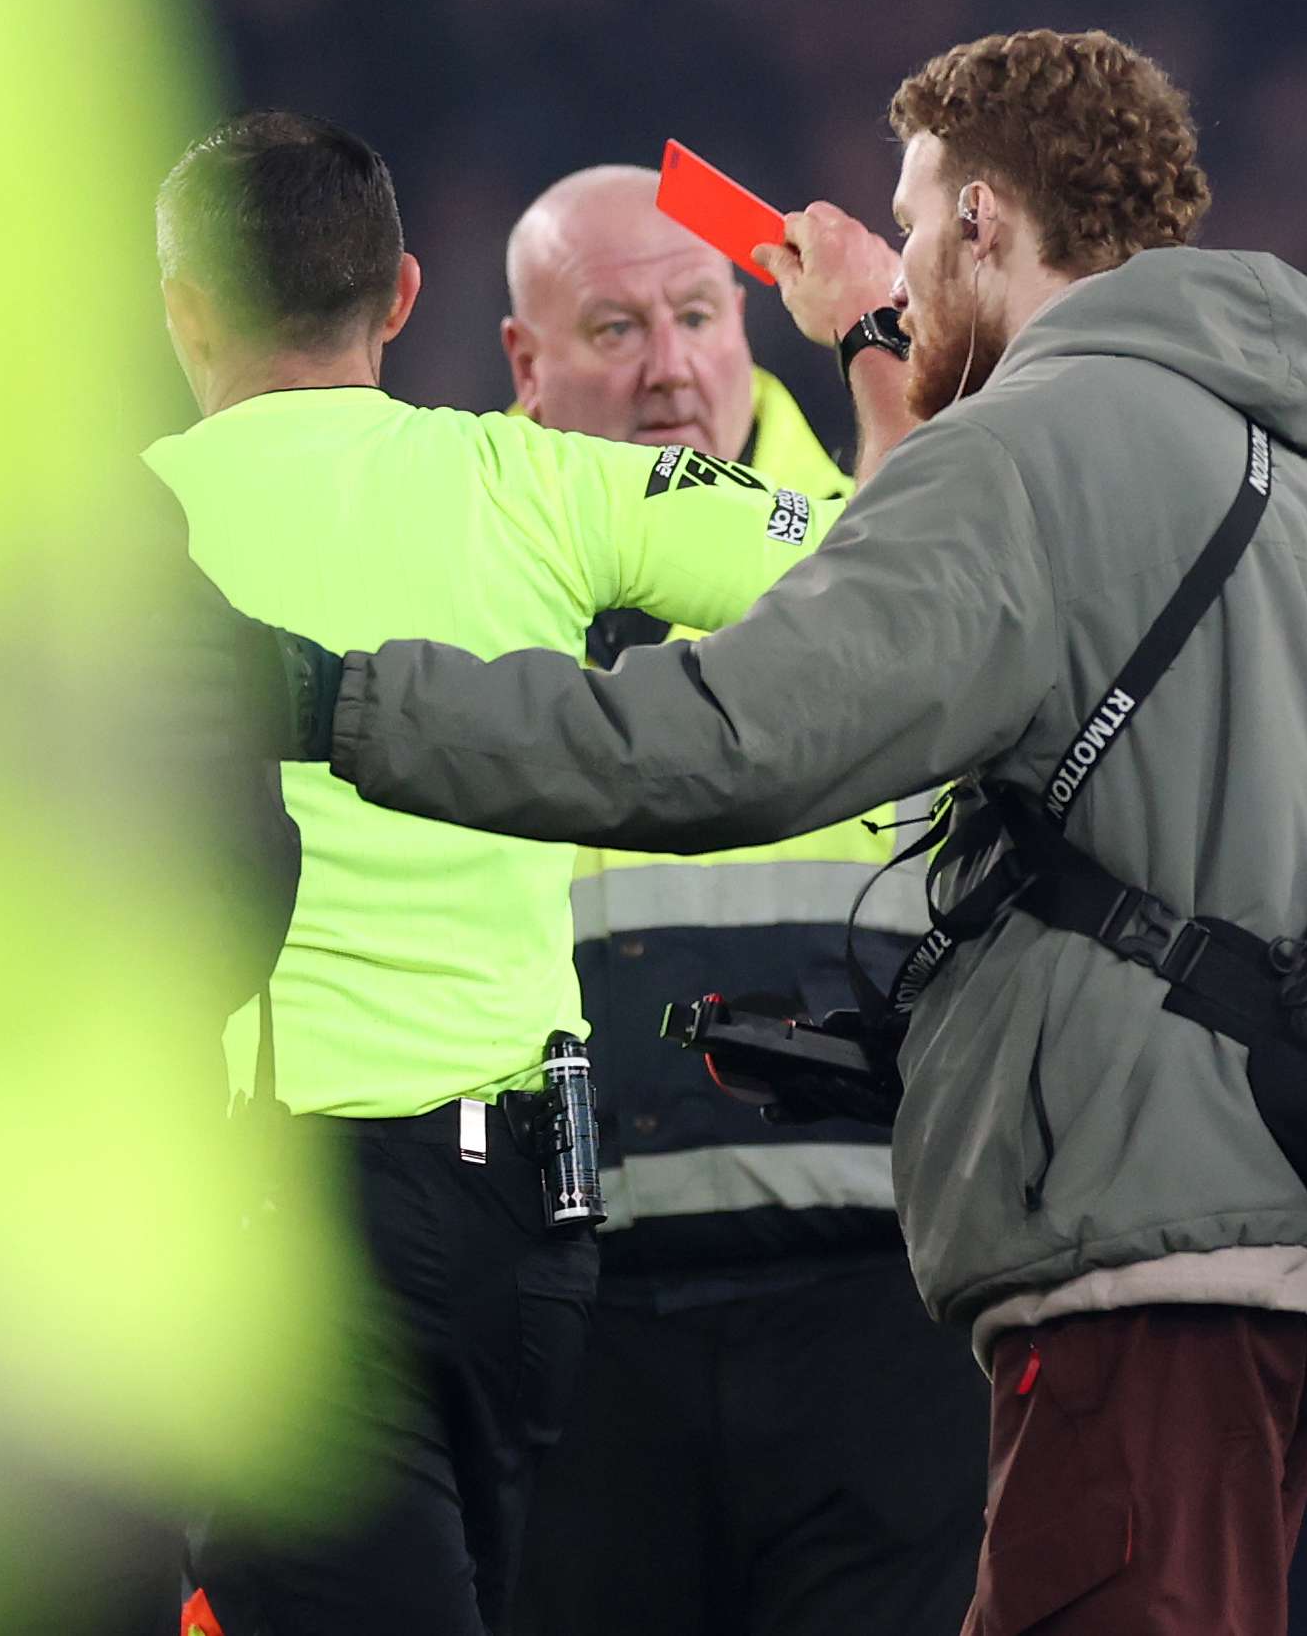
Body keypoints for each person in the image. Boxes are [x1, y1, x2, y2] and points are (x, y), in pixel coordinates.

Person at [254, 30, 1307, 1636]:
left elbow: (734, 739)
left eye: (911, 216)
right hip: (1285, 1237)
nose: (881, 270)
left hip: (1127, 1234)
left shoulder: (1029, 458)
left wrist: (340, 704)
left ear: (983, 223)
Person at [143, 111, 843, 1636]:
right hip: (532, 1227)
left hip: (273, 1208)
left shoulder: (116, 533)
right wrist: (887, 343)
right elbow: (869, 565)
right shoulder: (549, 485)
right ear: (400, 297)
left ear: (184, 311)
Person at [492, 167, 984, 1636]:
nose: (669, 366)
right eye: (614, 326)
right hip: (574, 1315)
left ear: (753, 321)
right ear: (525, 362)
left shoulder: (889, 544)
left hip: (877, 1308)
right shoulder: (454, 581)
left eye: (699, 311)